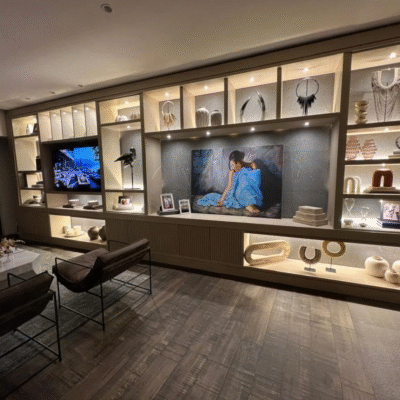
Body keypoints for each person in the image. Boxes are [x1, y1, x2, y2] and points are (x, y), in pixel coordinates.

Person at [197, 150, 262, 213]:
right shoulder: (232, 171)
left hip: (246, 189)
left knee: (245, 173)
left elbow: (254, 178)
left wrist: (252, 168)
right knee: (243, 176)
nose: (233, 167)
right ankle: (248, 204)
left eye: (234, 164)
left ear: (240, 162)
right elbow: (229, 186)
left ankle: (249, 203)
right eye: (231, 165)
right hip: (236, 193)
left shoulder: (246, 168)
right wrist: (221, 200)